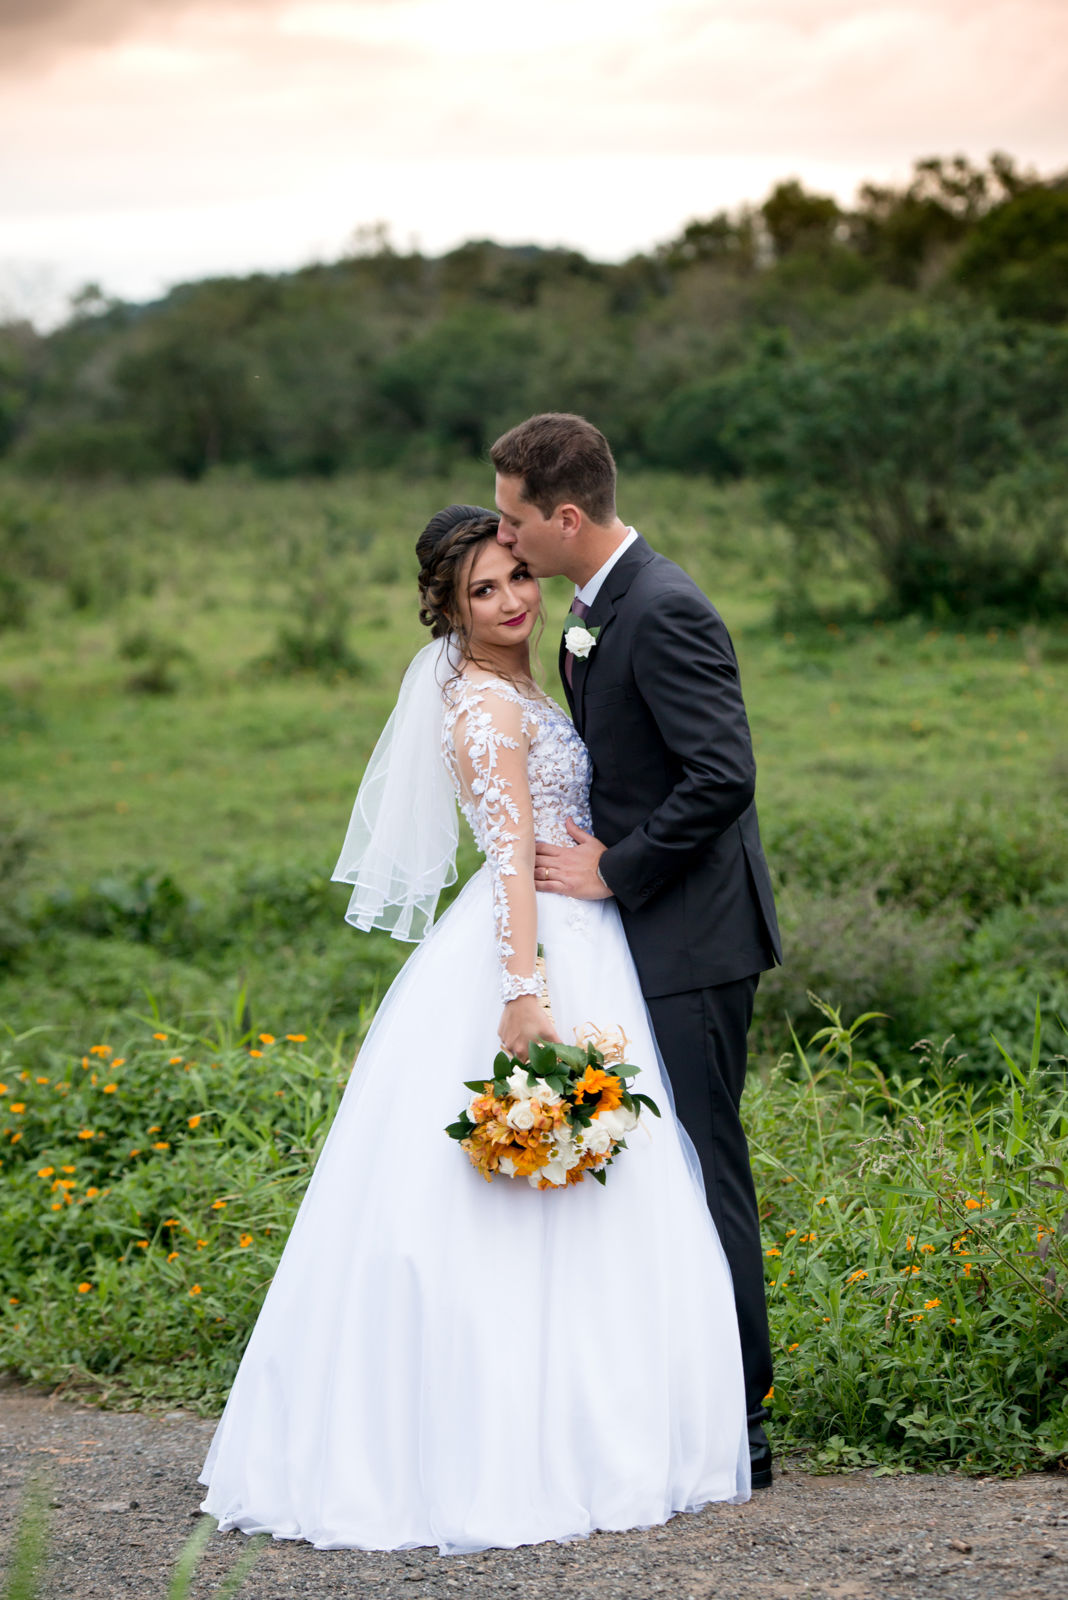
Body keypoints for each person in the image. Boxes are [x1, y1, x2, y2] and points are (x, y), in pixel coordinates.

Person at [198, 504, 750, 1553]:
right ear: (447, 611)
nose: (509, 603)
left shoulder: (525, 680)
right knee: (519, 1191)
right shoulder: (484, 710)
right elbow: (506, 862)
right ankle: (505, 1439)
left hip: (585, 927)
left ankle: (606, 1415)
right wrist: (523, 988)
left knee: (606, 1183)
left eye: (514, 579)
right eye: (481, 593)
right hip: (533, 948)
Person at [492, 415, 782, 1488]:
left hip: (695, 937)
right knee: (668, 1170)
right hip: (640, 936)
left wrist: (617, 868)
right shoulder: (595, 606)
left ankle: (745, 1419)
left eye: (517, 520)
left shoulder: (663, 609)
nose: (508, 539)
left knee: (708, 1173)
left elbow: (724, 774)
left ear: (566, 517)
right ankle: (678, 1398)